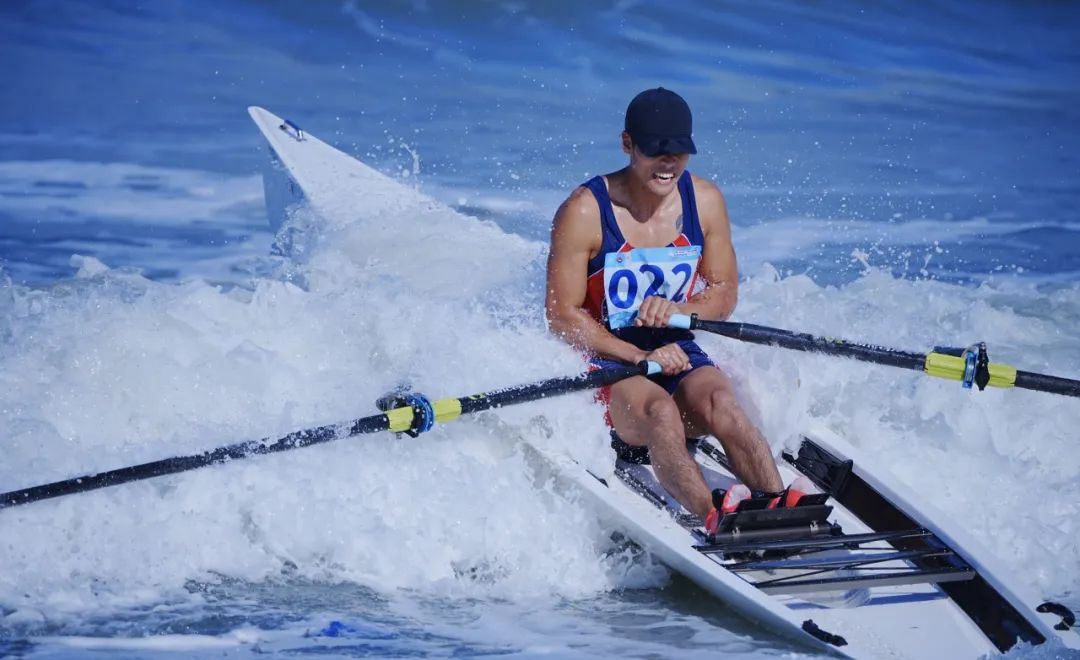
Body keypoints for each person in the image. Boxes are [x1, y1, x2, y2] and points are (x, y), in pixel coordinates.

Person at [545, 87, 785, 534]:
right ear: (627, 144)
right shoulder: (584, 211)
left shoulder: (705, 201)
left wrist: (680, 310)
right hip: (608, 361)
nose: (669, 162)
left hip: (676, 350)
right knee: (661, 413)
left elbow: (724, 291)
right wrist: (639, 356)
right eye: (656, 150)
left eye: (679, 150)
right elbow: (562, 315)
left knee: (722, 403)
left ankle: (780, 506)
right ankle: (714, 519)